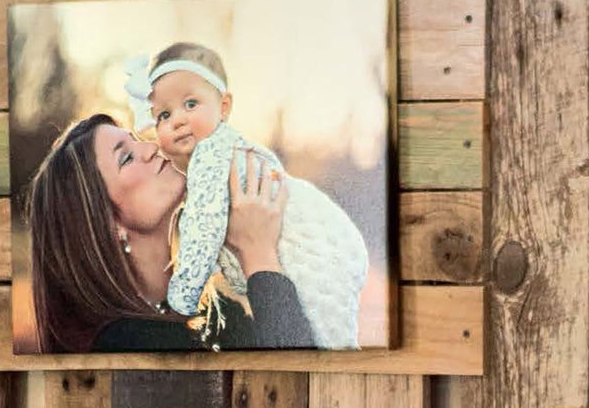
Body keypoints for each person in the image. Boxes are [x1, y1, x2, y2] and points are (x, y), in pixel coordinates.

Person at [127, 41, 368, 348]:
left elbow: (204, 232)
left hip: (312, 243)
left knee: (320, 339)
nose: (177, 120)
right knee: (327, 334)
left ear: (224, 107)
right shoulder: (225, 151)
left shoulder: (212, 155)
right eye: (162, 115)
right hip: (335, 241)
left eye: (190, 104)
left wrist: (182, 298)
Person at [27, 116, 311, 355]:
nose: (150, 147)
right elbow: (290, 374)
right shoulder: (125, 345)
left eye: (138, 139)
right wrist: (258, 253)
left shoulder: (215, 315)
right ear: (107, 225)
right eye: (126, 157)